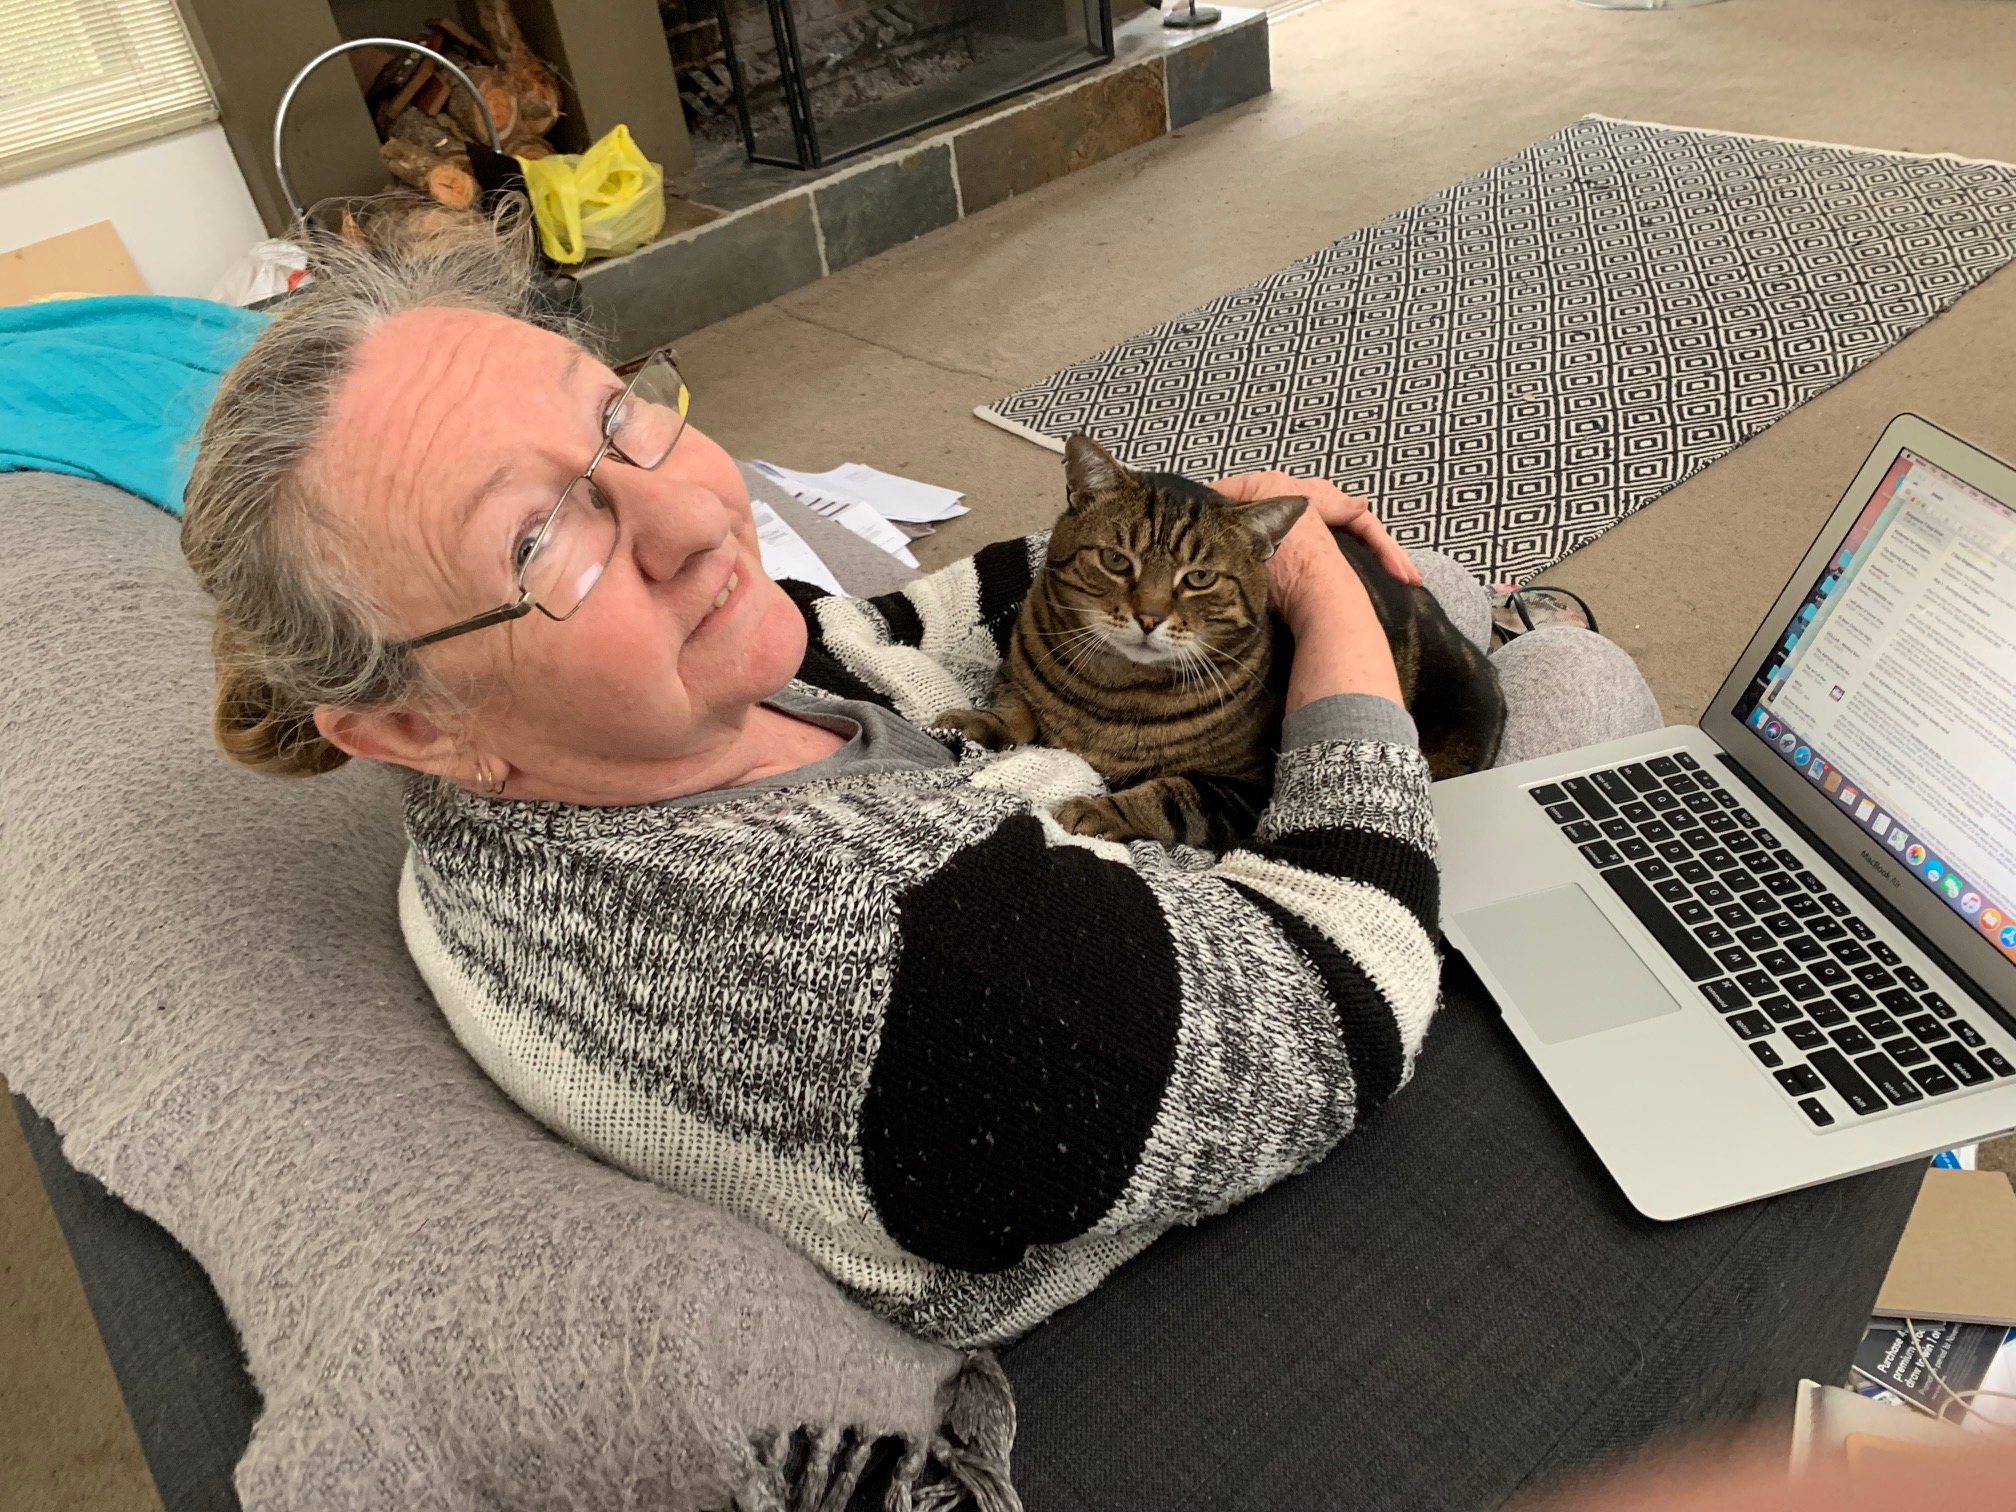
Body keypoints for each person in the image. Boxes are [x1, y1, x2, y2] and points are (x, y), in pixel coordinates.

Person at [180, 219, 1661, 1350]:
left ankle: (1495, 614)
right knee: (1568, 690)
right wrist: (1331, 617)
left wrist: (1218, 535)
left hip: (1059, 816)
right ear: (408, 730)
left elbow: (860, 645)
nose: (694, 513)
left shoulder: (583, 736)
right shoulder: (905, 974)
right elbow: (1342, 1000)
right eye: (534, 543)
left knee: (1440, 582)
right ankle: (1537, 642)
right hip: (1247, 1009)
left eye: (616, 416)